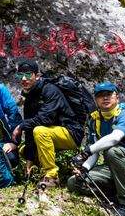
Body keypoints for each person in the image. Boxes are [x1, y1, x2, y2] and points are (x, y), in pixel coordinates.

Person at [67, 82, 125, 216]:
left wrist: (85, 152)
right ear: (96, 100)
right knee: (74, 182)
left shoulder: (124, 114)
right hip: (112, 168)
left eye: (108, 95)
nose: (105, 98)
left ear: (117, 97)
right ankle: (114, 193)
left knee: (112, 151)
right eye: (100, 96)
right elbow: (94, 152)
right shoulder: (95, 120)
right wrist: (84, 168)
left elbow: (114, 138)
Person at [12, 60, 84, 189]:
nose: (23, 79)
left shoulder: (50, 90)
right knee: (24, 149)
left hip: (71, 133)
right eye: (20, 75)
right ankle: (34, 170)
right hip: (51, 133)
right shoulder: (30, 97)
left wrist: (20, 126)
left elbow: (45, 119)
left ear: (37, 76)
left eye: (28, 75)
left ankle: (52, 176)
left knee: (40, 131)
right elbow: (29, 131)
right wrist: (28, 162)